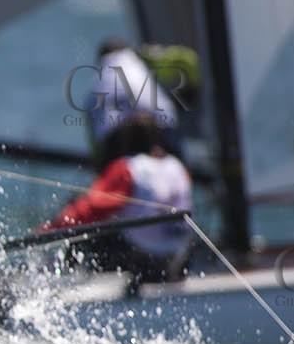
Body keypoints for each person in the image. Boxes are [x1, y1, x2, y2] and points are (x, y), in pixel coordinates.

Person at [40, 113, 192, 283]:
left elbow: (89, 210)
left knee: (82, 229)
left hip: (145, 260)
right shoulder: (178, 168)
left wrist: (47, 231)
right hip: (178, 254)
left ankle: (64, 277)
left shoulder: (127, 169)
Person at [84, 39, 180, 168]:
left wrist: (100, 168)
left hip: (118, 139)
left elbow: (95, 136)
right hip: (161, 128)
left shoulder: (97, 80)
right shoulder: (139, 65)